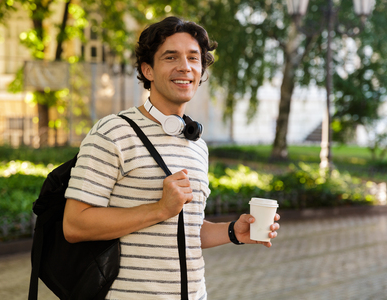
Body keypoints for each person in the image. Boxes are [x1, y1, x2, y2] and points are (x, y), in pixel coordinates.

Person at [63, 16, 280, 300]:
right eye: (171, 57)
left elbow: (185, 230)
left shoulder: (196, 144)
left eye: (193, 58)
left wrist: (232, 232)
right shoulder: (113, 132)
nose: (185, 67)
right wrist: (159, 209)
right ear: (148, 70)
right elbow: (75, 225)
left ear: (201, 71)